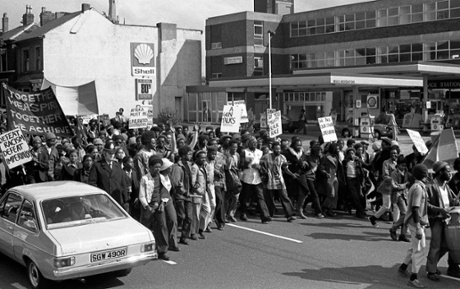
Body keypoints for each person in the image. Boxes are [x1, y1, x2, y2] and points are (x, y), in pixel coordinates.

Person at [425, 161, 460, 281]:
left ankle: (431, 264)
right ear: (440, 172)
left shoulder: (446, 186)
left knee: (446, 246)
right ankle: (431, 271)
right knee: (435, 246)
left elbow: (452, 201)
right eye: (448, 171)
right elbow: (425, 204)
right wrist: (439, 210)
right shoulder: (430, 186)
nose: (450, 173)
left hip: (447, 220)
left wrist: (456, 202)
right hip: (436, 220)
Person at [398, 164, 429, 288]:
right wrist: (418, 228)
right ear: (424, 175)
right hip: (415, 222)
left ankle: (403, 267)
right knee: (420, 250)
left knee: (413, 247)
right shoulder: (418, 188)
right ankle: (413, 278)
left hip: (415, 221)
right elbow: (415, 209)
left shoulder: (418, 186)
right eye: (426, 173)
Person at [260, 142, 296, 222]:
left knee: (284, 197)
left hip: (280, 181)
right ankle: (269, 215)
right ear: (272, 149)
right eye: (276, 149)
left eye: (279, 149)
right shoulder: (266, 157)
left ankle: (289, 215)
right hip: (269, 181)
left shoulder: (282, 157)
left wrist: (292, 174)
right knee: (269, 199)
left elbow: (286, 169)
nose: (278, 150)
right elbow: (261, 166)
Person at [239, 136, 271, 223]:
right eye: (252, 143)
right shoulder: (244, 152)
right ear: (248, 143)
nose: (254, 144)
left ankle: (264, 216)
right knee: (245, 197)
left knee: (260, 197)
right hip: (247, 178)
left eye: (255, 143)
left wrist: (259, 167)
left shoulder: (260, 152)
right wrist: (248, 164)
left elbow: (264, 165)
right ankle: (243, 212)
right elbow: (240, 165)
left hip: (257, 178)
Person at [88, 141, 129, 210]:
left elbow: (123, 183)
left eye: (113, 153)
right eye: (109, 153)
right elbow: (92, 183)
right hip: (103, 202)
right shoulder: (97, 166)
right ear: (104, 153)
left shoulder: (117, 166)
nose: (112, 155)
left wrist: (126, 199)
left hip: (117, 201)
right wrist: (100, 195)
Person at [369, 145, 400, 227]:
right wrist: (393, 181)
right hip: (387, 187)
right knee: (387, 206)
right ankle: (373, 218)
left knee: (396, 205)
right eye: (392, 153)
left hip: (396, 188)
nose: (394, 155)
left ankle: (395, 224)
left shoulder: (398, 162)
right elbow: (385, 175)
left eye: (395, 153)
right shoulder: (386, 163)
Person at [171, 146, 194, 244]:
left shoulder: (188, 165)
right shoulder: (177, 167)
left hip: (188, 195)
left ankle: (184, 236)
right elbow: (176, 183)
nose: (190, 156)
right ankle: (172, 237)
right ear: (183, 155)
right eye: (189, 154)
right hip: (180, 196)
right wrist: (184, 191)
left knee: (189, 217)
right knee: (181, 216)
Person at [389, 155, 411, 242]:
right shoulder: (394, 173)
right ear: (397, 165)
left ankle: (403, 234)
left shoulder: (407, 173)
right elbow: (394, 186)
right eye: (402, 165)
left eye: (405, 165)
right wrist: (405, 185)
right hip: (397, 195)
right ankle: (393, 228)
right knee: (405, 214)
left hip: (405, 195)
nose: (403, 167)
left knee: (405, 214)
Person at [342, 147, 367, 219]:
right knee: (355, 196)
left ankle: (360, 211)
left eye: (352, 153)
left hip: (357, 180)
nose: (351, 155)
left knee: (360, 196)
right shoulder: (345, 162)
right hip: (349, 180)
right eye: (349, 154)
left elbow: (365, 165)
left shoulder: (357, 161)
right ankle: (360, 212)